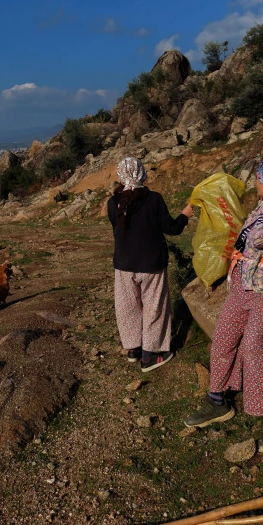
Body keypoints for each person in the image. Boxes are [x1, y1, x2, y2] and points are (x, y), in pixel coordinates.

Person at [184, 156, 263, 453]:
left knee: (253, 343)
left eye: (259, 178)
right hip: (244, 286)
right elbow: (243, 240)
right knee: (224, 338)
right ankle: (218, 401)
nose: (255, 182)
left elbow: (260, 240)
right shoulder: (260, 208)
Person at [107, 157, 194, 372]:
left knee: (128, 307)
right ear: (142, 173)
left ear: (121, 175)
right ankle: (149, 355)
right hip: (151, 264)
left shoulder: (113, 203)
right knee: (154, 308)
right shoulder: (154, 199)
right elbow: (171, 228)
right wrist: (184, 215)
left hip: (124, 265)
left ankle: (133, 349)